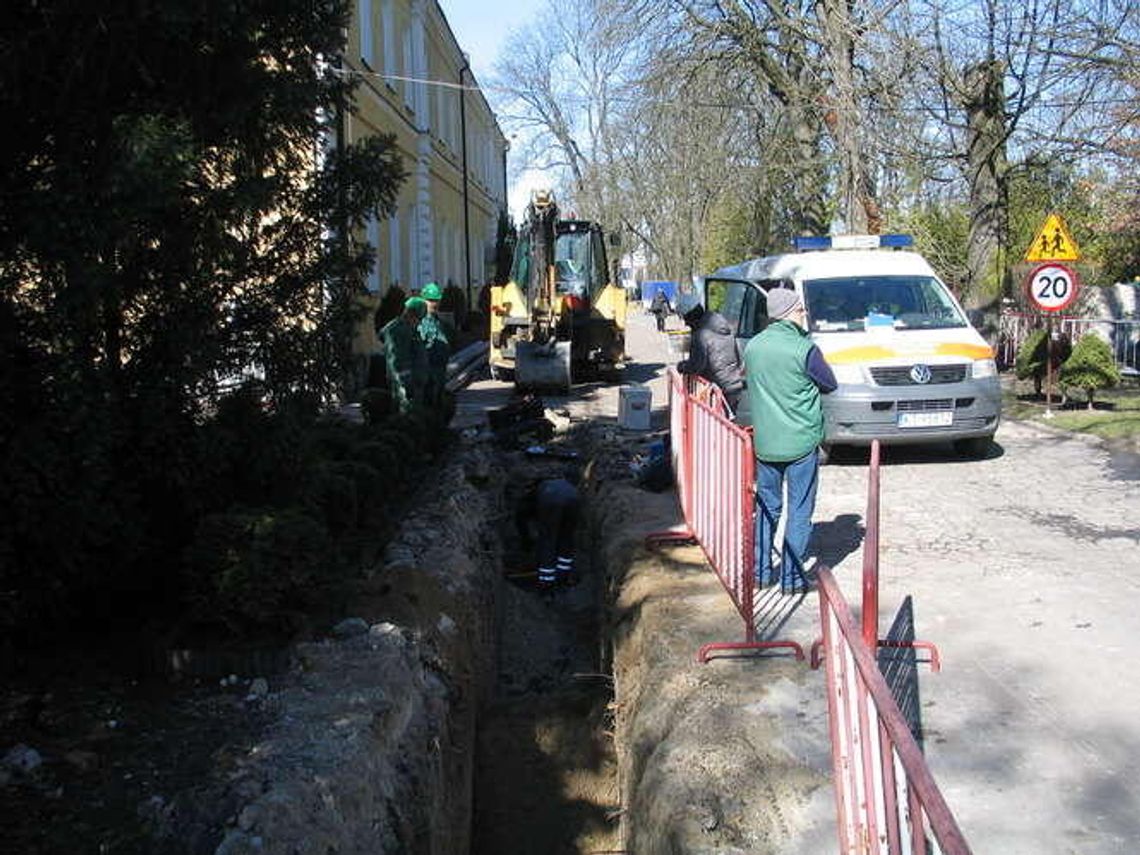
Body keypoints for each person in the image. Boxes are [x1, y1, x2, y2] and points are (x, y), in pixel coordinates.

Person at [743, 288, 837, 593]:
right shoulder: (804, 349)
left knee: (768, 508)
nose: (804, 315)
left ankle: (759, 573)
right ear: (789, 313)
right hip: (800, 443)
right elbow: (829, 383)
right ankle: (792, 579)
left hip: (767, 444)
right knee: (798, 511)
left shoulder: (754, 347)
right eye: (800, 310)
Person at [675, 292, 745, 412]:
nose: (686, 323)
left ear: (691, 316)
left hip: (719, 387)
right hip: (734, 383)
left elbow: (697, 365)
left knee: (717, 426)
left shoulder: (701, 335)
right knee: (728, 424)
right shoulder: (722, 325)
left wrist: (682, 366)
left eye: (685, 318)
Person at [515, 466, 582, 590]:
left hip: (551, 500)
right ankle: (563, 576)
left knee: (548, 540)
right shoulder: (562, 485)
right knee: (566, 538)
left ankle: (546, 581)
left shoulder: (538, 492)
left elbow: (524, 515)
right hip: (574, 499)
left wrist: (526, 541)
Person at [380, 296, 428, 415]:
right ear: (412, 315)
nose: (420, 322)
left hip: (414, 382)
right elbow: (397, 359)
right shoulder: (399, 331)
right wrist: (407, 384)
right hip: (406, 385)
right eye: (419, 318)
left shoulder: (408, 329)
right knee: (408, 414)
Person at [417, 282, 454, 418]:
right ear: (423, 300)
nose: (434, 304)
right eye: (431, 300)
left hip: (440, 369)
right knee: (429, 401)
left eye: (437, 300)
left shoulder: (437, 320)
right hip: (428, 369)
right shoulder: (421, 322)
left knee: (438, 400)